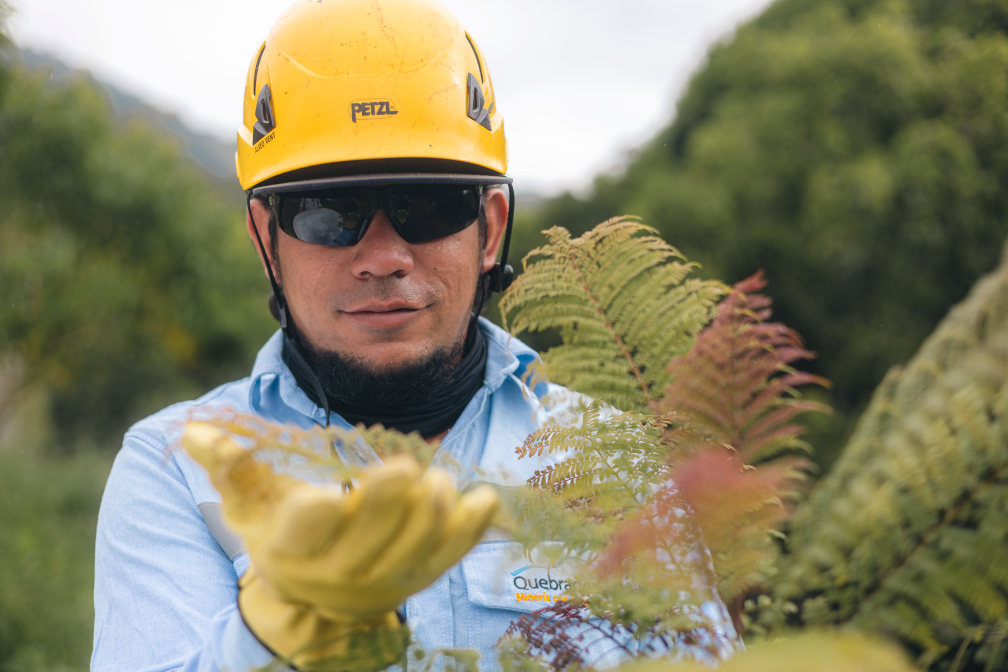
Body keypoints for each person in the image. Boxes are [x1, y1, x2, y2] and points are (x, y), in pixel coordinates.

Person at [91, 1, 740, 670]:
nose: (383, 256)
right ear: (265, 236)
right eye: (329, 213)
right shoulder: (177, 469)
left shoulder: (612, 463)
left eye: (426, 206)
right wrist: (274, 633)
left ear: (490, 226)